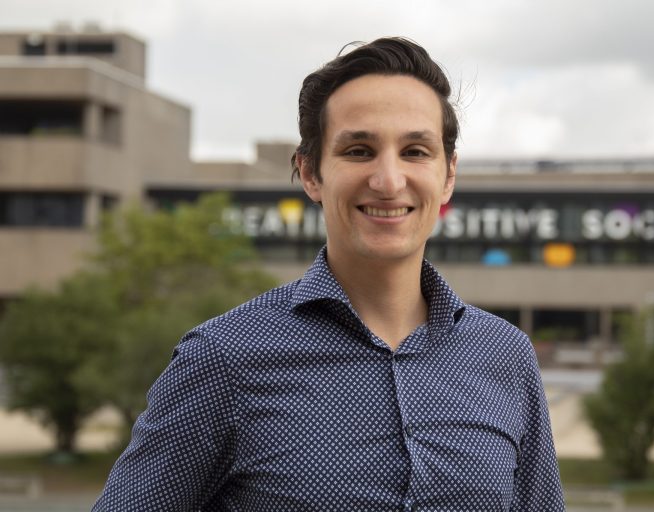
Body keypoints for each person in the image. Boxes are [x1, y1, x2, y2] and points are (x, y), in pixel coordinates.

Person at [93, 37, 565, 511]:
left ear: (448, 176)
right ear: (312, 174)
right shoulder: (224, 360)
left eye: (416, 151)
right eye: (359, 150)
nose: (388, 181)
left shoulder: (506, 358)